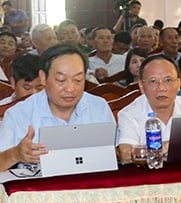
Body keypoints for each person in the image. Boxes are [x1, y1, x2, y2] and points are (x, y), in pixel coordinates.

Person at [0, 44, 115, 172]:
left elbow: (115, 154)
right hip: (39, 189)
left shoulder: (99, 107)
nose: (70, 88)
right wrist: (15, 154)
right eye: (61, 80)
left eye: (78, 79)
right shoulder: (19, 114)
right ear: (43, 77)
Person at [116, 54, 181, 162]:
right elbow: (126, 154)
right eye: (153, 81)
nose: (161, 88)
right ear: (141, 86)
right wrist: (169, 147)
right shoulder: (129, 114)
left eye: (168, 80)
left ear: (178, 84)